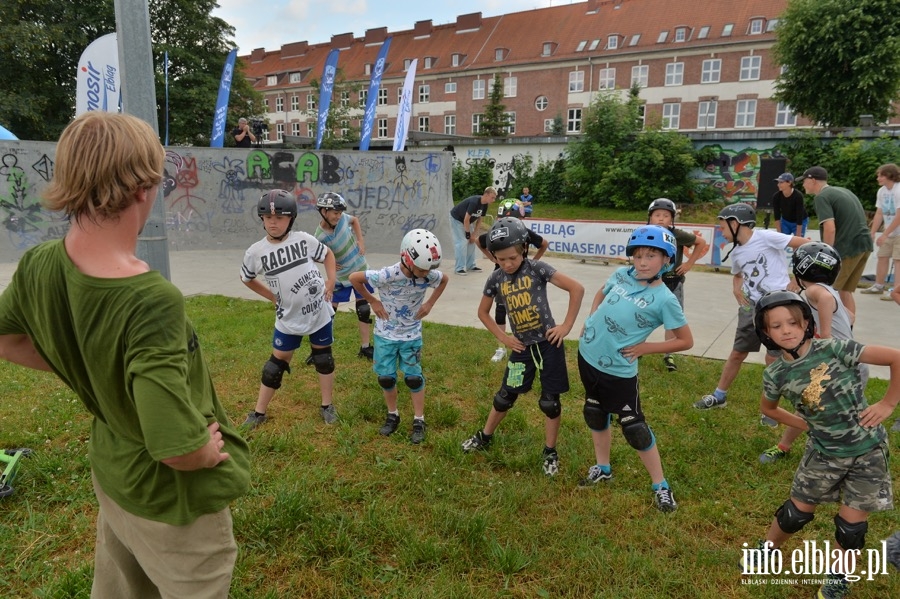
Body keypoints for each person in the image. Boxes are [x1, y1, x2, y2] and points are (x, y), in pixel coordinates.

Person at [0, 111, 250, 597]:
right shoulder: (149, 299)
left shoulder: (40, 264)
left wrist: (88, 368)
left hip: (114, 475)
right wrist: (201, 453)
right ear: (143, 187)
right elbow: (174, 447)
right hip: (171, 501)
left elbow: (5, 338)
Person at [745, 290, 900, 599]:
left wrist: (887, 403)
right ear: (766, 332)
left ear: (807, 324)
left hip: (866, 452)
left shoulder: (835, 349)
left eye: (793, 322)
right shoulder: (776, 373)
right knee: (795, 514)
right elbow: (769, 409)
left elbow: (896, 357)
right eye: (776, 326)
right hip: (824, 454)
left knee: (851, 529)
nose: (786, 330)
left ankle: (838, 578)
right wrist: (804, 424)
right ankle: (768, 548)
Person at [576, 225, 693, 512]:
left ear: (667, 259)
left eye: (651, 256)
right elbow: (600, 295)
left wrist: (645, 349)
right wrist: (592, 320)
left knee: (634, 427)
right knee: (594, 411)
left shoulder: (665, 298)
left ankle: (661, 486)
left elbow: (685, 341)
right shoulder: (621, 275)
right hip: (588, 356)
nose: (642, 262)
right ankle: (603, 468)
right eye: (638, 255)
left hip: (619, 370)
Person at [461, 218, 584, 478]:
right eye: (501, 259)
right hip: (521, 348)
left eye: (513, 258)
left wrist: (566, 326)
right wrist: (504, 338)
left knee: (550, 402)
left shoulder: (537, 268)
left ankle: (550, 451)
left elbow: (577, 288)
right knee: (504, 397)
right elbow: (483, 312)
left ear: (524, 249)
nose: (507, 264)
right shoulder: (496, 278)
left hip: (549, 345)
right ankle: (485, 437)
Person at [758, 242, 871, 464]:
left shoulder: (814, 291)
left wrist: (826, 334)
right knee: (815, 405)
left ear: (800, 269)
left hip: (841, 364)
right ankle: (788, 445)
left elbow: (826, 301)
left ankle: (851, 453)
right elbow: (851, 317)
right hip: (851, 362)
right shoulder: (829, 290)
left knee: (820, 409)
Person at [241, 189, 338, 429]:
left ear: (291, 219)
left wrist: (331, 280)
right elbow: (247, 278)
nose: (273, 223)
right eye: (268, 218)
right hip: (288, 317)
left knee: (323, 358)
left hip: (317, 312)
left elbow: (327, 255)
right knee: (275, 366)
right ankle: (259, 412)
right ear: (262, 219)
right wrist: (271, 297)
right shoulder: (256, 252)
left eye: (280, 217)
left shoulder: (303, 240)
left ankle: (327, 405)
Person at [695, 203, 807, 411]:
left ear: (735, 223)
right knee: (738, 352)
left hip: (777, 305)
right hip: (751, 307)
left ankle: (773, 405)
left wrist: (798, 278)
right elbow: (738, 275)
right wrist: (736, 289)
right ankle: (719, 395)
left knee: (774, 356)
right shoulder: (737, 252)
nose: (721, 232)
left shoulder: (766, 237)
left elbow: (806, 245)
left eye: (722, 227)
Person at [349, 229, 447, 444]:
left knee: (413, 378)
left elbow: (443, 279)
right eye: (422, 268)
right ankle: (393, 414)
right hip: (385, 336)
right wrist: (372, 301)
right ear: (407, 258)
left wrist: (429, 303)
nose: (426, 273)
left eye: (429, 269)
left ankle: (419, 419)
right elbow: (354, 278)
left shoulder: (428, 274)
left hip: (411, 335)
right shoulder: (387, 275)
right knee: (386, 377)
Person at [475, 200, 549, 363]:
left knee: (526, 308)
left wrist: (533, 263)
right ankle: (501, 346)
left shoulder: (525, 232)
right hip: (502, 278)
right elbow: (479, 242)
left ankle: (533, 343)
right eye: (500, 218)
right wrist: (493, 259)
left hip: (524, 276)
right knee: (500, 310)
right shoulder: (496, 233)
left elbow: (544, 244)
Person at [803, 166, 873, 321]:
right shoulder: (843, 191)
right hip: (864, 244)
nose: (803, 185)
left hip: (848, 247)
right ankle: (849, 327)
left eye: (804, 181)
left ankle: (836, 329)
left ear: (813, 180)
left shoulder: (821, 197)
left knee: (828, 291)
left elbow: (829, 228)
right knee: (845, 291)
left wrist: (826, 253)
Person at [647, 198, 709, 372]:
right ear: (650, 218)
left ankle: (668, 353)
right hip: (650, 282)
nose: (661, 218)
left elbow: (701, 243)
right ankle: (637, 346)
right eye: (657, 215)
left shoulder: (677, 234)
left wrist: (689, 264)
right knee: (643, 314)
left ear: (672, 219)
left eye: (666, 216)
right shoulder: (646, 233)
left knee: (673, 320)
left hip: (673, 282)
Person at [313, 191, 374, 360]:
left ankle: (365, 347)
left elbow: (354, 220)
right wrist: (329, 261)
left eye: (340, 213)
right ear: (324, 212)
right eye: (335, 213)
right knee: (329, 311)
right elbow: (314, 254)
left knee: (363, 309)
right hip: (340, 277)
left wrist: (360, 240)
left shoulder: (343, 220)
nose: (338, 216)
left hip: (359, 268)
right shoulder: (319, 236)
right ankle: (321, 348)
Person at [860, 163, 900, 300]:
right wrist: (872, 232)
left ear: (889, 175)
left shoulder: (898, 190)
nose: (878, 178)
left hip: (897, 232)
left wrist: (884, 234)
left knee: (898, 260)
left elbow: (899, 215)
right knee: (882, 257)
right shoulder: (882, 191)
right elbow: (879, 213)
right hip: (889, 231)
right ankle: (878, 285)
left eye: (880, 175)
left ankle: (896, 290)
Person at [449, 186, 498, 275]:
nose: (493, 200)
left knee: (472, 241)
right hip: (457, 219)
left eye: (494, 198)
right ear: (486, 195)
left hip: (468, 221)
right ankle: (459, 268)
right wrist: (468, 234)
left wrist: (474, 234)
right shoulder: (474, 202)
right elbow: (466, 219)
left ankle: (470, 265)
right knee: (462, 241)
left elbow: (480, 220)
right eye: (492, 197)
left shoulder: (485, 205)